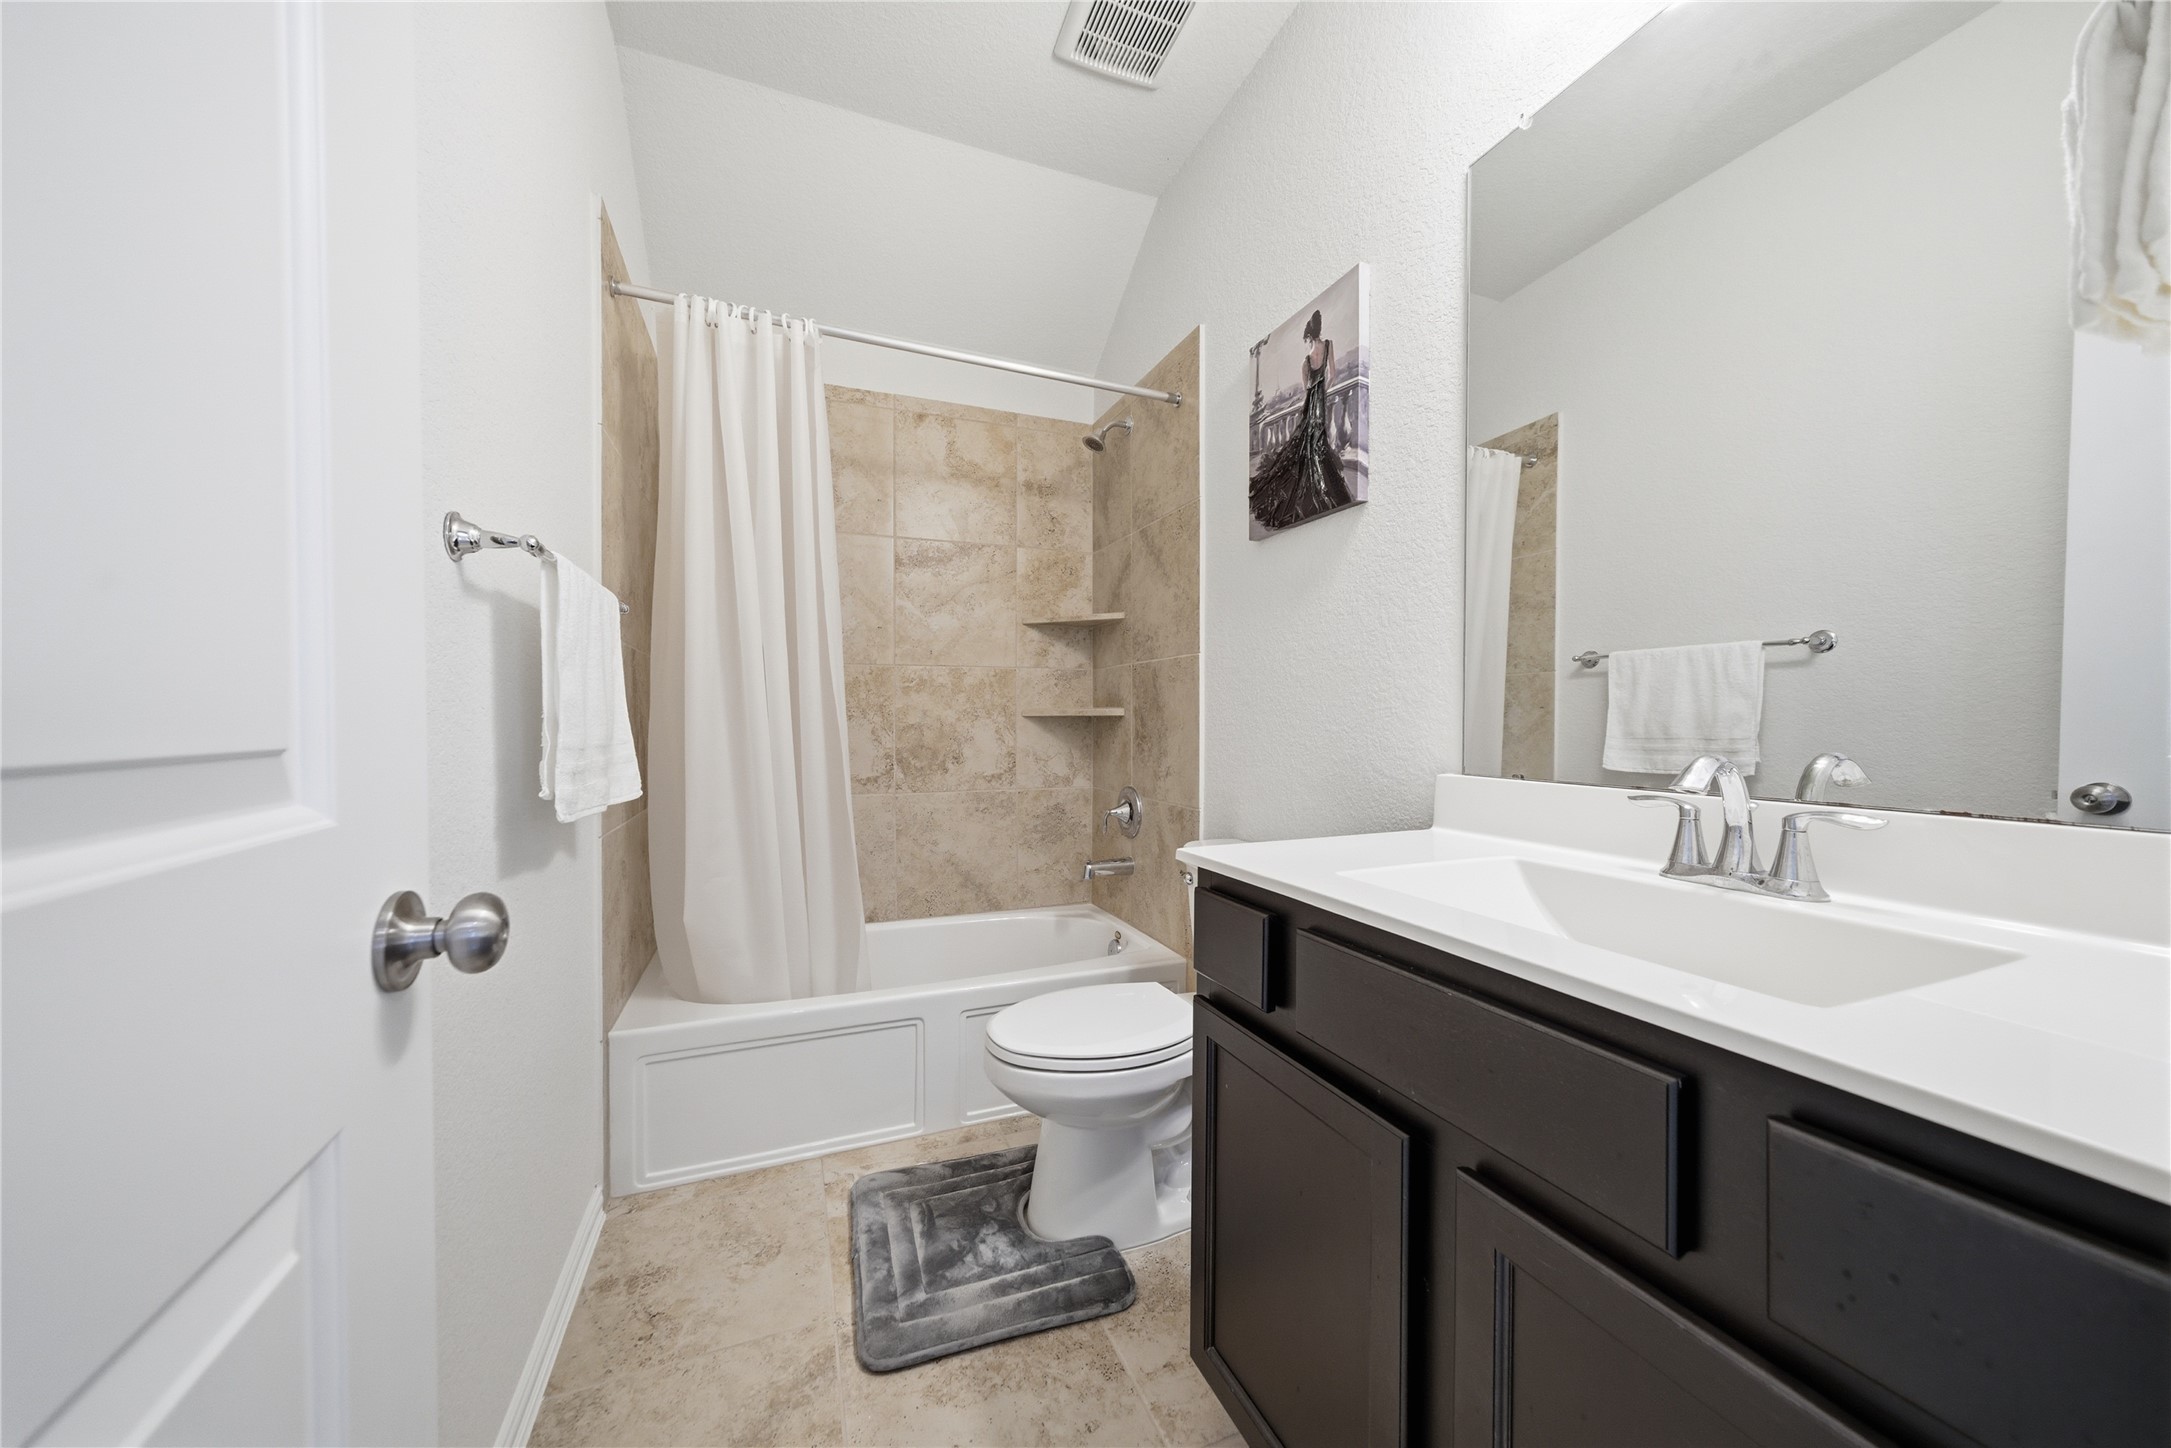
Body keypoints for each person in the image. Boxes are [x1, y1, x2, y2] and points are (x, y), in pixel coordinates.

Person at [1248, 309, 1351, 532]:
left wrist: (1314, 391)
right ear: (1319, 331)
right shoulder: (1329, 345)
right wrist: (1324, 391)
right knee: (1318, 442)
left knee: (1306, 442)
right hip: (1321, 401)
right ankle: (1323, 484)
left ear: (1307, 337)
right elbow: (1332, 375)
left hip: (1310, 404)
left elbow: (1306, 388)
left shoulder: (1305, 361)